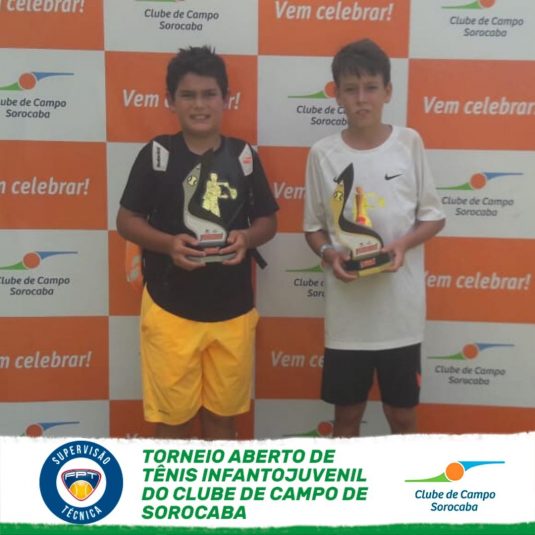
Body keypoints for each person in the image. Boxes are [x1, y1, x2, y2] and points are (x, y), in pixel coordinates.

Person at [116, 46, 278, 440]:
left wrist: (247, 238)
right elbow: (126, 221)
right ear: (170, 101)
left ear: (226, 99)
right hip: (170, 309)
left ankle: (216, 483)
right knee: (173, 422)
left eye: (209, 94)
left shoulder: (244, 156)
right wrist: (169, 244)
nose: (200, 104)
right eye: (188, 95)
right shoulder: (158, 154)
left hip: (232, 310)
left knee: (223, 422)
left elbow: (268, 222)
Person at [303, 39, 445, 437]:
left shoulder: (409, 142)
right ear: (337, 95)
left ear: (388, 91)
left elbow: (433, 217)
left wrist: (402, 246)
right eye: (351, 89)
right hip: (348, 318)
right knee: (347, 417)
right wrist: (329, 253)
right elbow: (313, 228)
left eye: (370, 87)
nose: (361, 98)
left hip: (400, 316)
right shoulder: (321, 154)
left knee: (401, 417)